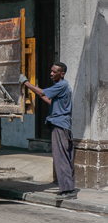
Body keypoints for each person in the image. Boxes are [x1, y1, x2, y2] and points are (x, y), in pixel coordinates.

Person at [19, 62, 76, 200]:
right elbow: (50, 101)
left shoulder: (61, 85)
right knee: (64, 157)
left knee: (61, 158)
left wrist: (25, 82)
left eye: (54, 72)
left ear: (62, 73)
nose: (51, 73)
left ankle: (67, 190)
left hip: (60, 126)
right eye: (51, 71)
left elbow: (42, 92)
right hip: (62, 125)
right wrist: (39, 94)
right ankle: (68, 188)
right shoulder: (63, 86)